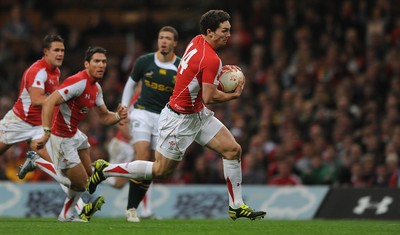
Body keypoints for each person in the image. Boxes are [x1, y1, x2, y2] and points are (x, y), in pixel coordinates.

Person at [87, 10, 266, 220]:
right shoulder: (211, 59)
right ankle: (105, 170)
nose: (229, 34)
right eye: (224, 31)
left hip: (197, 114)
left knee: (232, 150)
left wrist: (215, 81)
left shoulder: (197, 41)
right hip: (178, 120)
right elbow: (209, 96)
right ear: (210, 32)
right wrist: (232, 95)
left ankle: (236, 205)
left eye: (229, 30)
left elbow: (201, 89)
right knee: (161, 170)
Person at [10, 35, 103, 221]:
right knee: (71, 176)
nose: (61, 53)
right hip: (32, 122)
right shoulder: (39, 71)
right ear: (46, 52)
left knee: (82, 177)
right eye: (57, 50)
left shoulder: (57, 73)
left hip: (51, 125)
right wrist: (49, 125)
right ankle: (38, 162)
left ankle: (69, 212)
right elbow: (43, 101)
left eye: (62, 50)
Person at [31, 46, 128, 222]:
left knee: (89, 177)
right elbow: (49, 102)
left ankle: (66, 214)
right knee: (81, 184)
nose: (101, 65)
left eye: (104, 61)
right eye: (97, 61)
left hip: (74, 134)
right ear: (86, 64)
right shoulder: (78, 82)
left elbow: (105, 117)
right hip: (61, 137)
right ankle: (37, 161)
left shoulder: (96, 88)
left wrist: (118, 116)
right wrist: (46, 133)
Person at [119, 25, 180, 222]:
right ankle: (132, 209)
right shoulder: (145, 61)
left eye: (168, 38)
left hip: (164, 118)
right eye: (161, 37)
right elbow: (130, 85)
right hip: (142, 113)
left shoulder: (180, 66)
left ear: (174, 43)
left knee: (155, 165)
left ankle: (141, 208)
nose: (164, 41)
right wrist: (123, 110)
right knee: (143, 155)